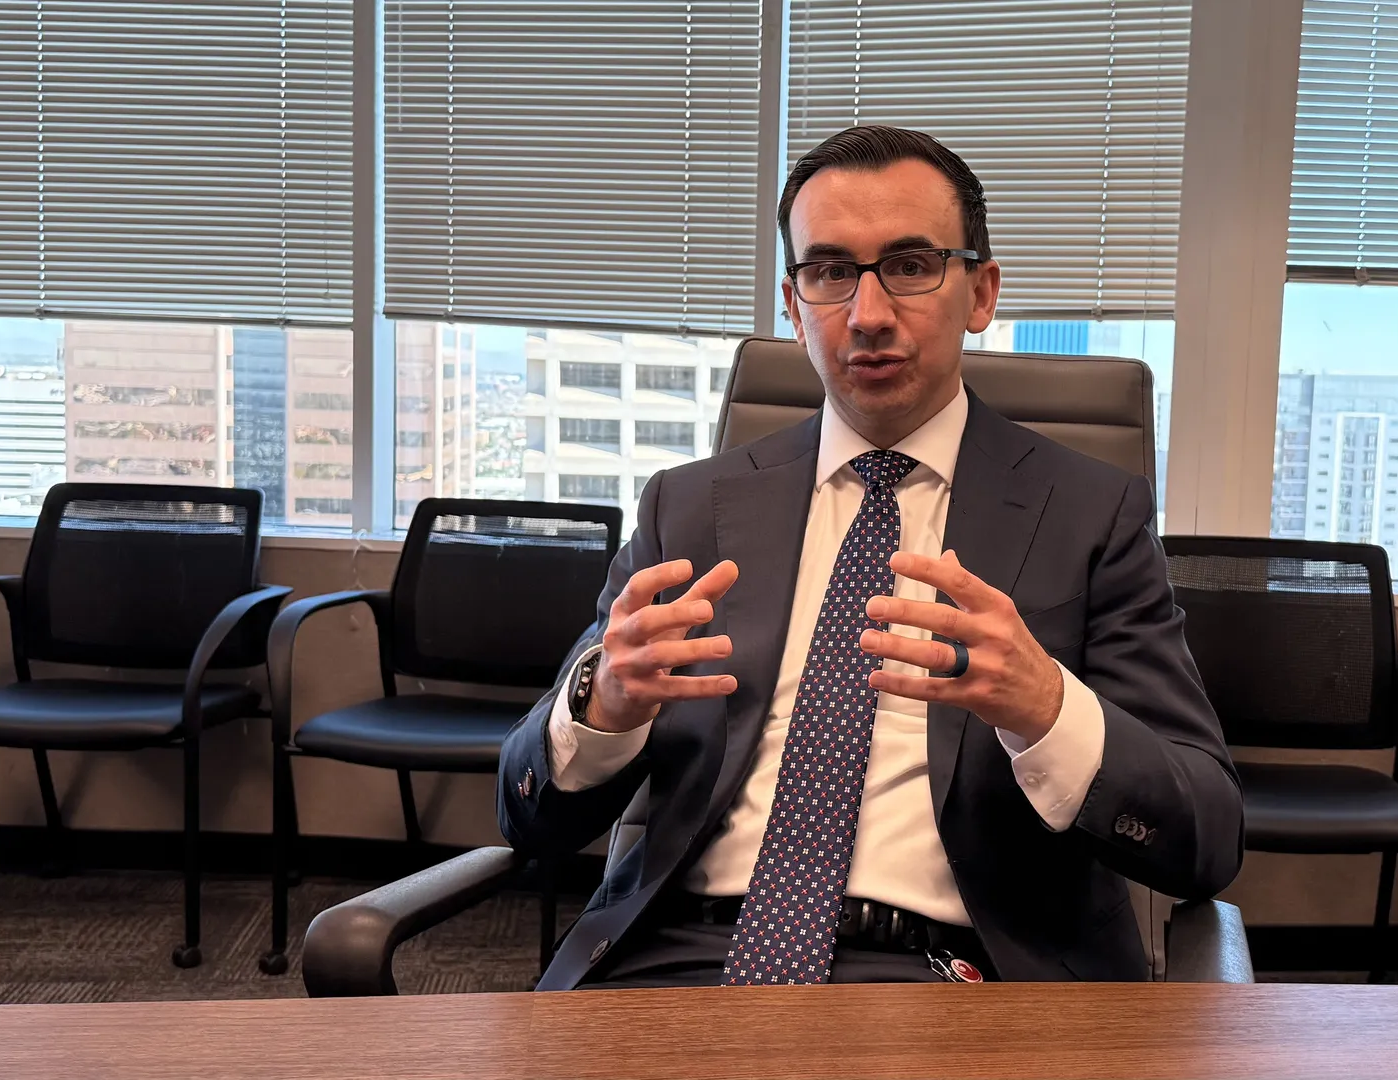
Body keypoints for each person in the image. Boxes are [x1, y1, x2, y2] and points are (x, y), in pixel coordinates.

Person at [500, 125, 1242, 989]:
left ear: (981, 292)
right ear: (793, 306)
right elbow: (527, 815)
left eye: (911, 265)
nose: (868, 315)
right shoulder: (689, 507)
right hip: (675, 960)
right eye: (829, 273)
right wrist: (601, 708)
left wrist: (1047, 708)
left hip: (952, 978)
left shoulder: (1090, 514)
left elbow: (1205, 836)